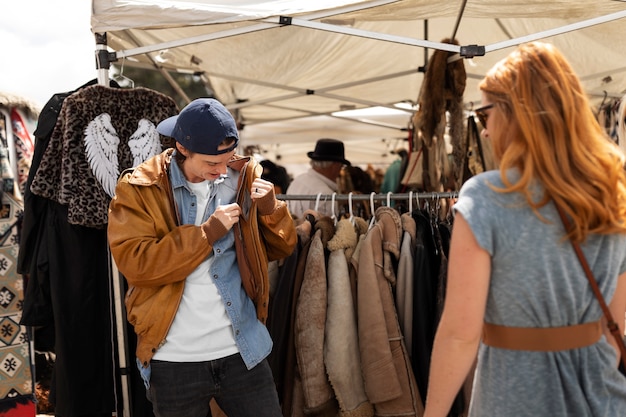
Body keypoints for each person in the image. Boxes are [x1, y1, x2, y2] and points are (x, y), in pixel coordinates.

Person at [423, 41, 626, 417]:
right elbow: (614, 326)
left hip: (515, 398)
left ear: (517, 115)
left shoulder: (487, 196)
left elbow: (459, 334)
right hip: (603, 396)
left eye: (485, 115)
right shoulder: (612, 195)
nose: (484, 132)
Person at [107, 98, 297, 417]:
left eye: (227, 159)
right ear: (182, 148)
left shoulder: (243, 177)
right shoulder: (139, 188)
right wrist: (206, 234)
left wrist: (271, 211)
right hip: (174, 360)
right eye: (212, 163)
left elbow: (281, 249)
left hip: (244, 351)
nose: (222, 170)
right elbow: (138, 265)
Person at [285, 138, 350, 218]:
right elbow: (327, 228)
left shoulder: (298, 180)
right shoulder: (326, 194)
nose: (340, 170)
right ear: (335, 166)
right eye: (341, 166)